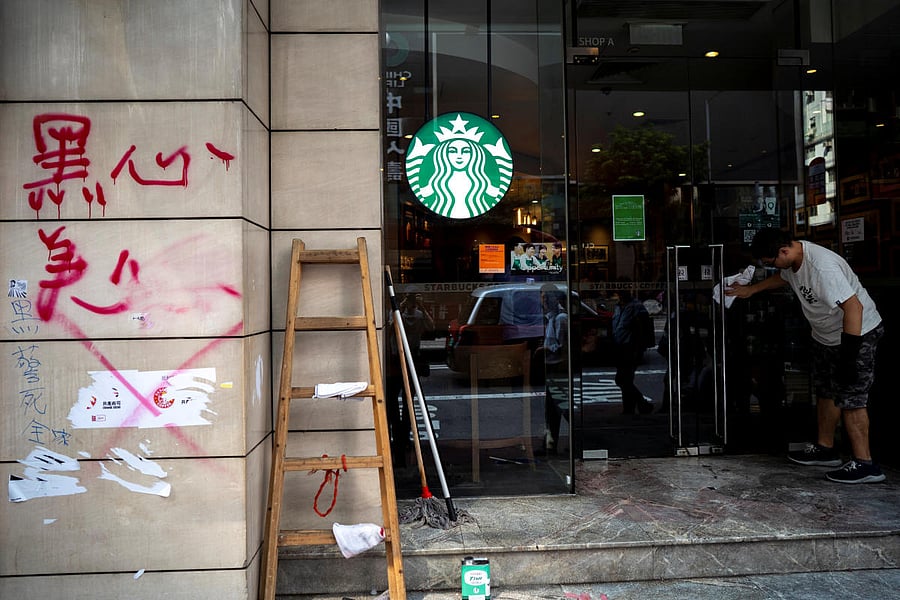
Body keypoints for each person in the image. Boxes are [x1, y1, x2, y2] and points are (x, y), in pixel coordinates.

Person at [725, 228, 885, 484]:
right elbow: (784, 277)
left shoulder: (822, 267)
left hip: (856, 334)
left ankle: (865, 464)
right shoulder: (793, 259)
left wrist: (849, 355)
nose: (771, 266)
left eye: (771, 261)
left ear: (783, 251)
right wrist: (751, 290)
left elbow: (854, 306)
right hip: (825, 336)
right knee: (825, 391)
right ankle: (825, 449)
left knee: (851, 394)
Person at [385, 293, 434, 467]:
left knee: (401, 401)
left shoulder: (410, 316)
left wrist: (414, 307)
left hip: (403, 358)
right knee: (402, 401)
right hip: (402, 359)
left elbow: (430, 327)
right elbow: (431, 326)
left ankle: (400, 435)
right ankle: (400, 434)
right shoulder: (405, 315)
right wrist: (418, 307)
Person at [612, 282, 654, 415]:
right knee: (625, 380)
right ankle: (630, 408)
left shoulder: (636, 307)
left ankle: (641, 403)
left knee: (623, 379)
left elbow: (641, 331)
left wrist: (638, 349)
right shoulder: (618, 307)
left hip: (630, 348)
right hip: (620, 348)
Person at [540, 284, 568, 454]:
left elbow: (562, 347)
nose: (542, 300)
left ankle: (578, 440)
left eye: (544, 297)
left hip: (558, 369)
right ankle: (551, 445)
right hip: (550, 368)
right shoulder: (551, 318)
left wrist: (544, 350)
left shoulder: (561, 318)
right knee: (552, 409)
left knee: (561, 407)